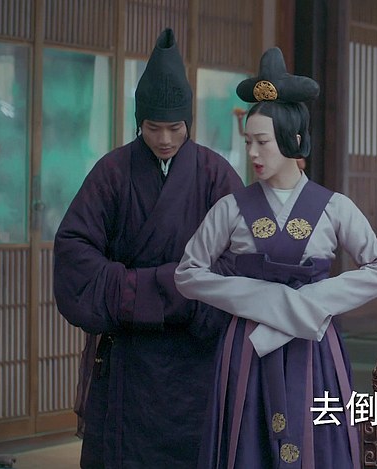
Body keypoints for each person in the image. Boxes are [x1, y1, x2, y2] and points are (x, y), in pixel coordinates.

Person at [174, 47, 377, 469]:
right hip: (247, 347)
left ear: (293, 140)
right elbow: (188, 274)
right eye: (248, 142)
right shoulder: (230, 208)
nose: (253, 153)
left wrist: (311, 301)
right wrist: (260, 298)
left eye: (263, 142)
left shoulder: (334, 207)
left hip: (313, 348)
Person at [53, 28, 243, 468]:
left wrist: (178, 293)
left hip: (195, 361)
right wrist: (152, 290)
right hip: (130, 360)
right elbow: (73, 252)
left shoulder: (215, 175)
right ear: (139, 122)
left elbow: (240, 258)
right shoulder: (113, 171)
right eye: (153, 128)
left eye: (175, 128)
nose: (164, 139)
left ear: (188, 122)